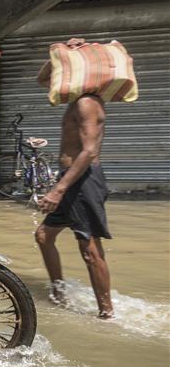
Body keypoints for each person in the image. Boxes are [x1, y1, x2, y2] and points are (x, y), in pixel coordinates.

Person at [34, 51, 113, 319]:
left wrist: (58, 189)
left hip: (83, 180)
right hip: (71, 178)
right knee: (44, 236)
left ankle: (107, 313)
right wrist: (60, 53)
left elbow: (89, 151)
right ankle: (58, 295)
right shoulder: (76, 99)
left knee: (90, 249)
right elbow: (42, 77)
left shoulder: (87, 103)